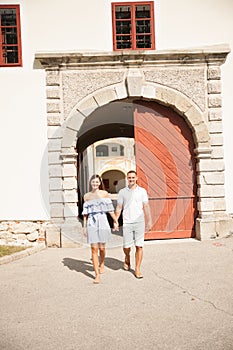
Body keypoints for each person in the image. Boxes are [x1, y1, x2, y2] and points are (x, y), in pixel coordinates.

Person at [115, 170, 152, 279]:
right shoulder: (122, 192)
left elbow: (146, 206)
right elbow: (119, 207)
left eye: (133, 177)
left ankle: (137, 269)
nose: (131, 179)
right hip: (127, 222)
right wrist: (116, 220)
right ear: (127, 179)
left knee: (139, 245)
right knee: (127, 247)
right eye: (129, 178)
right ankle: (127, 257)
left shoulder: (142, 191)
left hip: (139, 222)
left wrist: (149, 221)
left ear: (136, 178)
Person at [82, 174, 119, 284]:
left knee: (102, 248)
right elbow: (85, 214)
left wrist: (115, 221)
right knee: (94, 249)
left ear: (100, 183)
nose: (95, 184)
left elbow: (110, 209)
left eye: (97, 182)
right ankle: (97, 274)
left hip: (102, 220)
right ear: (91, 183)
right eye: (93, 182)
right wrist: (84, 227)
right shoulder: (87, 196)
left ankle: (102, 263)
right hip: (91, 222)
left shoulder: (104, 194)